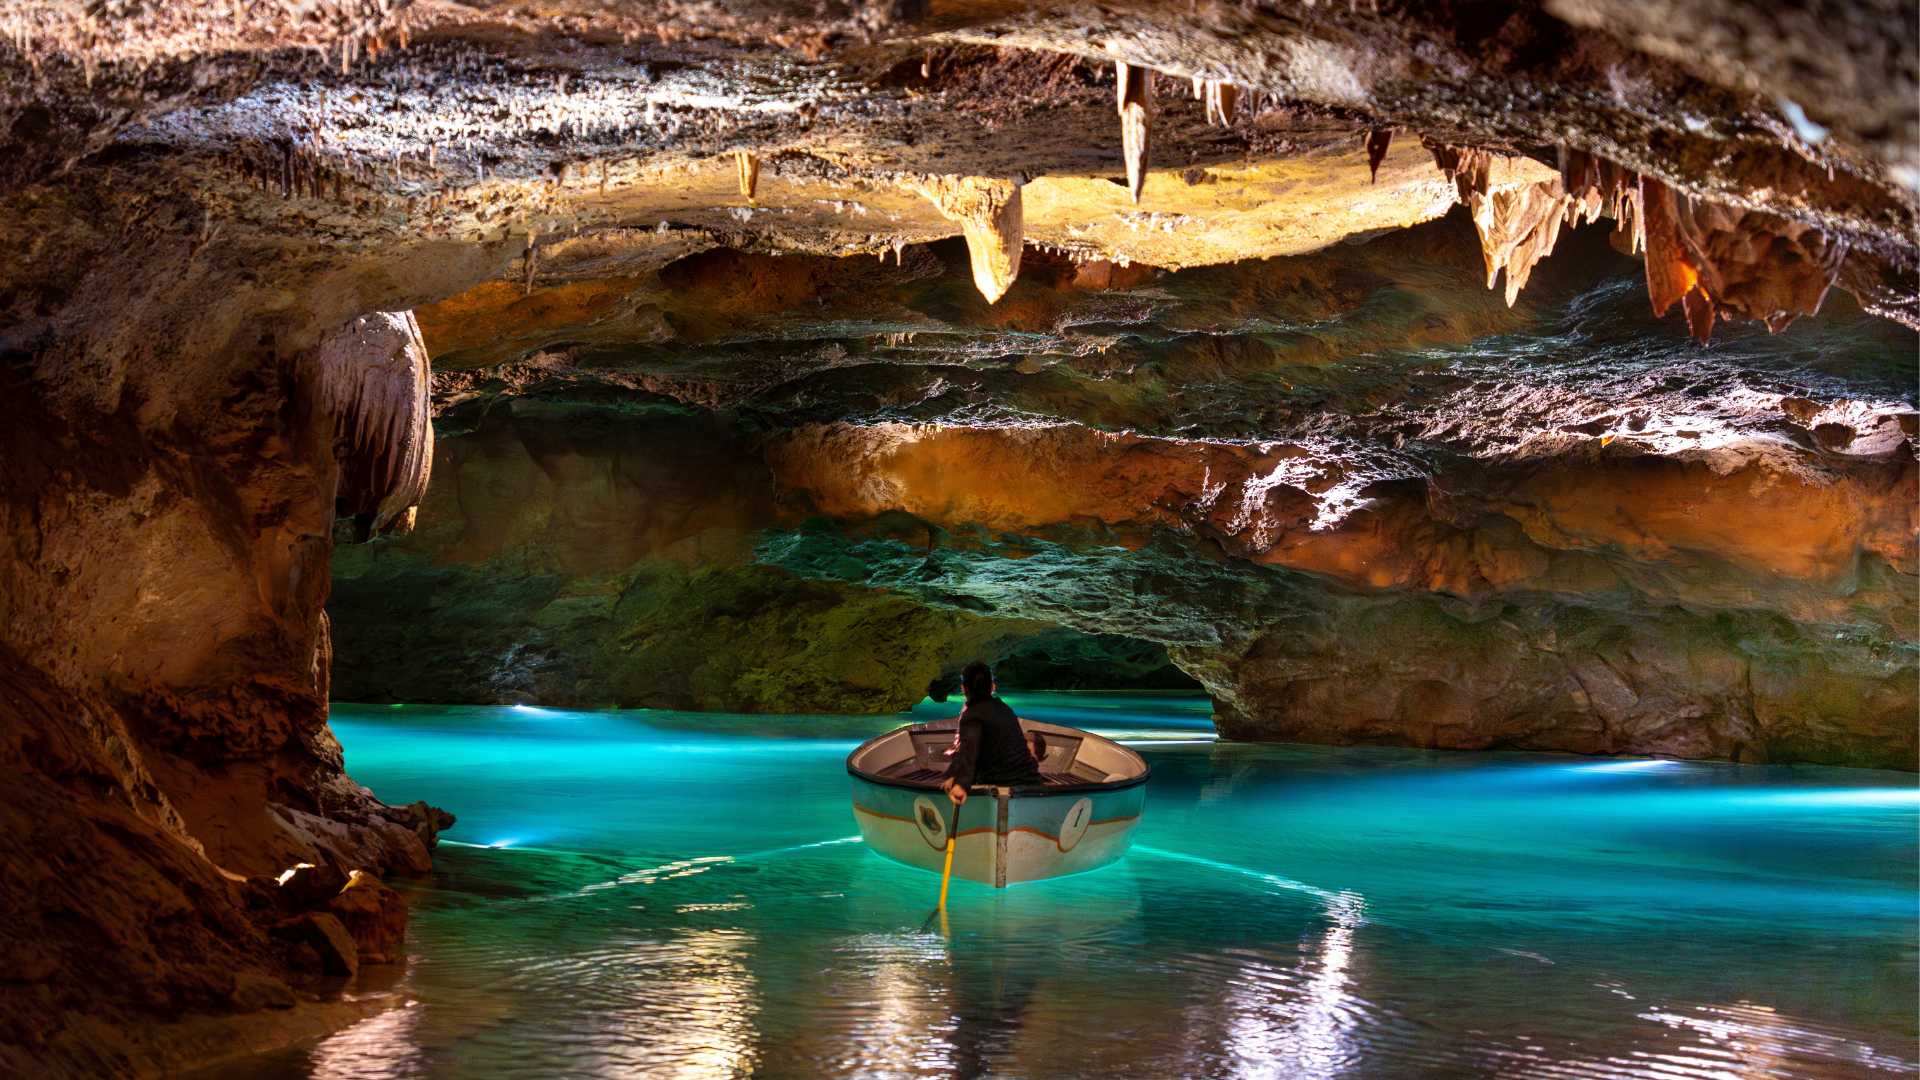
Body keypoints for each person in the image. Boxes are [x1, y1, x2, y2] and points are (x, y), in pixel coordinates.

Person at [942, 660, 1043, 807]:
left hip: (1002, 787)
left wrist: (961, 784)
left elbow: (969, 748)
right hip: (1032, 784)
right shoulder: (1005, 709)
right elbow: (970, 750)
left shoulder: (972, 715)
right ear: (992, 686)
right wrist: (954, 774)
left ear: (963, 688)